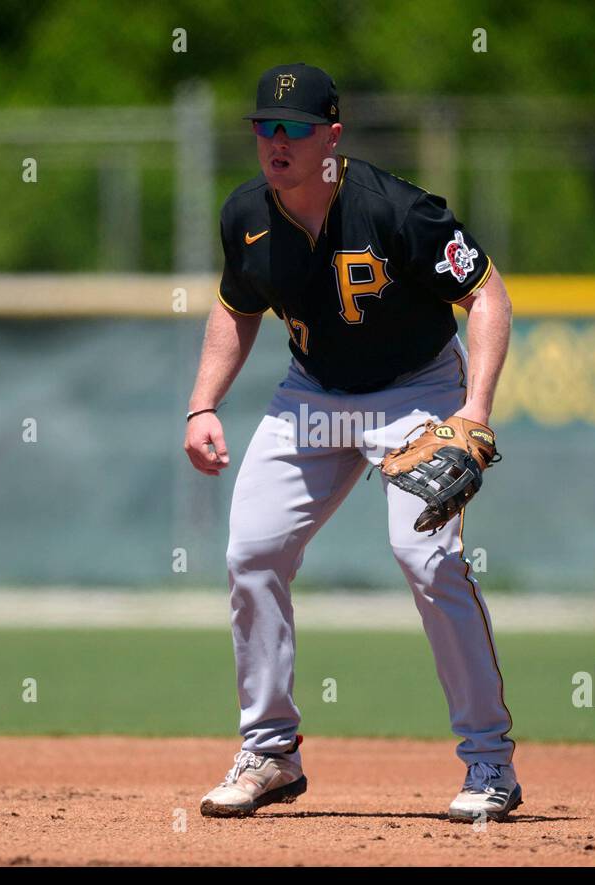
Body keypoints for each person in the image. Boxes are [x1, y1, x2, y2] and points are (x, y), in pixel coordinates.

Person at [183, 63, 518, 822]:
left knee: (427, 557)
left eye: (295, 128)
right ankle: (270, 752)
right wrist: (203, 403)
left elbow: (488, 295)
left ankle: (490, 763)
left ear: (332, 135)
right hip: (314, 395)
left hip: (417, 392)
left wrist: (473, 411)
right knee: (251, 553)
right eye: (265, 127)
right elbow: (236, 310)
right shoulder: (246, 215)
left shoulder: (399, 210)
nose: (276, 142)